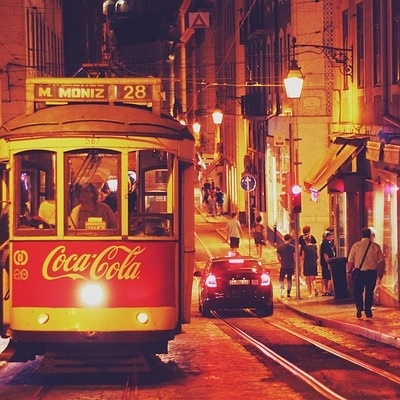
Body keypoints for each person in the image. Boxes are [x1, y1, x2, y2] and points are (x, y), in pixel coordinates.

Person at [346, 227, 385, 319]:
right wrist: (381, 272)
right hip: (372, 273)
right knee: (369, 292)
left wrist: (348, 271)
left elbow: (350, 261)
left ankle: (359, 307)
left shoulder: (356, 246)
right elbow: (382, 261)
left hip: (359, 273)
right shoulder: (376, 246)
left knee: (358, 291)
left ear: (362, 235)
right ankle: (368, 310)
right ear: (370, 235)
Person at [277, 233, 295, 298]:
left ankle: (282, 289)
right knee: (289, 280)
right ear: (289, 239)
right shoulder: (292, 247)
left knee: (281, 279)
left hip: (283, 266)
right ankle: (288, 293)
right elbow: (294, 257)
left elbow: (278, 257)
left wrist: (281, 262)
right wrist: (295, 265)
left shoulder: (279, 247)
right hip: (290, 266)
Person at [320, 231, 335, 296]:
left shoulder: (326, 243)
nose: (332, 238)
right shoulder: (325, 244)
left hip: (326, 263)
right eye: (331, 236)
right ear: (328, 236)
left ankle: (325, 290)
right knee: (329, 277)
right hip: (327, 263)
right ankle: (328, 290)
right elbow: (325, 254)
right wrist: (328, 263)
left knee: (325, 276)